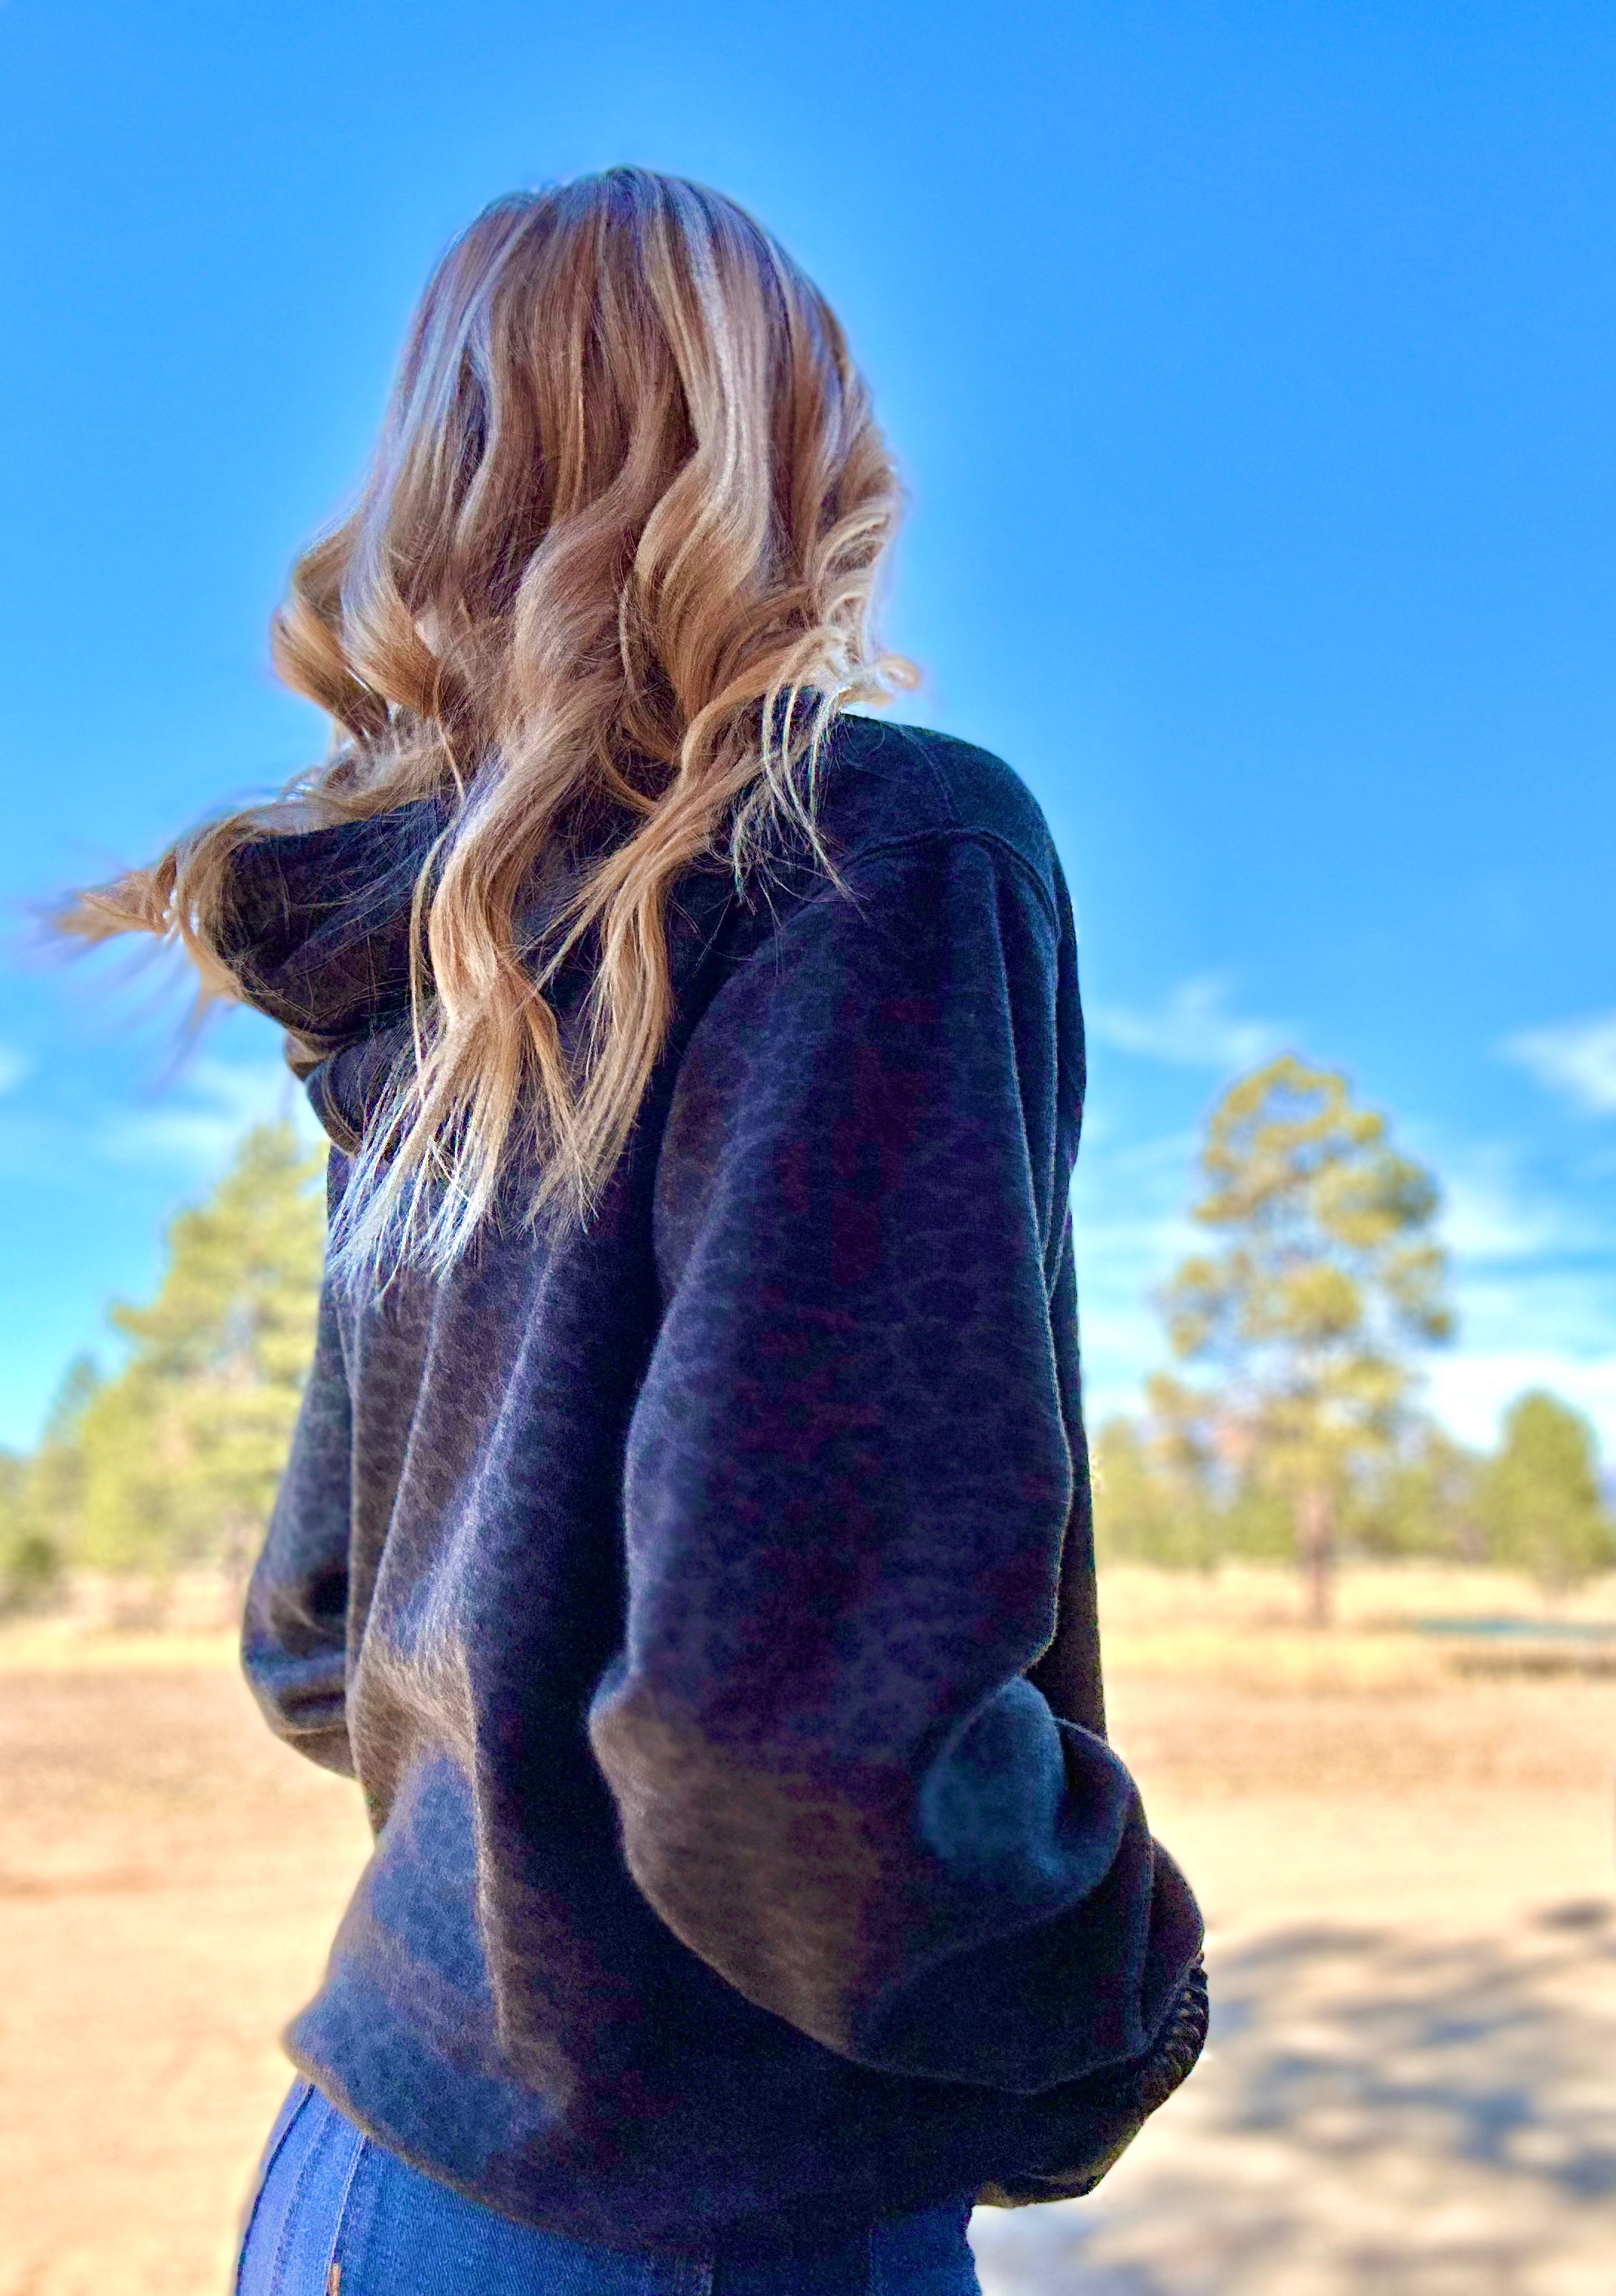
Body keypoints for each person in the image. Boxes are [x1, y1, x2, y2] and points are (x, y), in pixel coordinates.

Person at [66, 168, 1206, 2296]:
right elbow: (788, 1734)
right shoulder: (881, 853)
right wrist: (1114, 2001)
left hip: (352, 2181)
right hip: (699, 2221)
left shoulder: (446, 964)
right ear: (811, 449)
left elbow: (319, 1629)